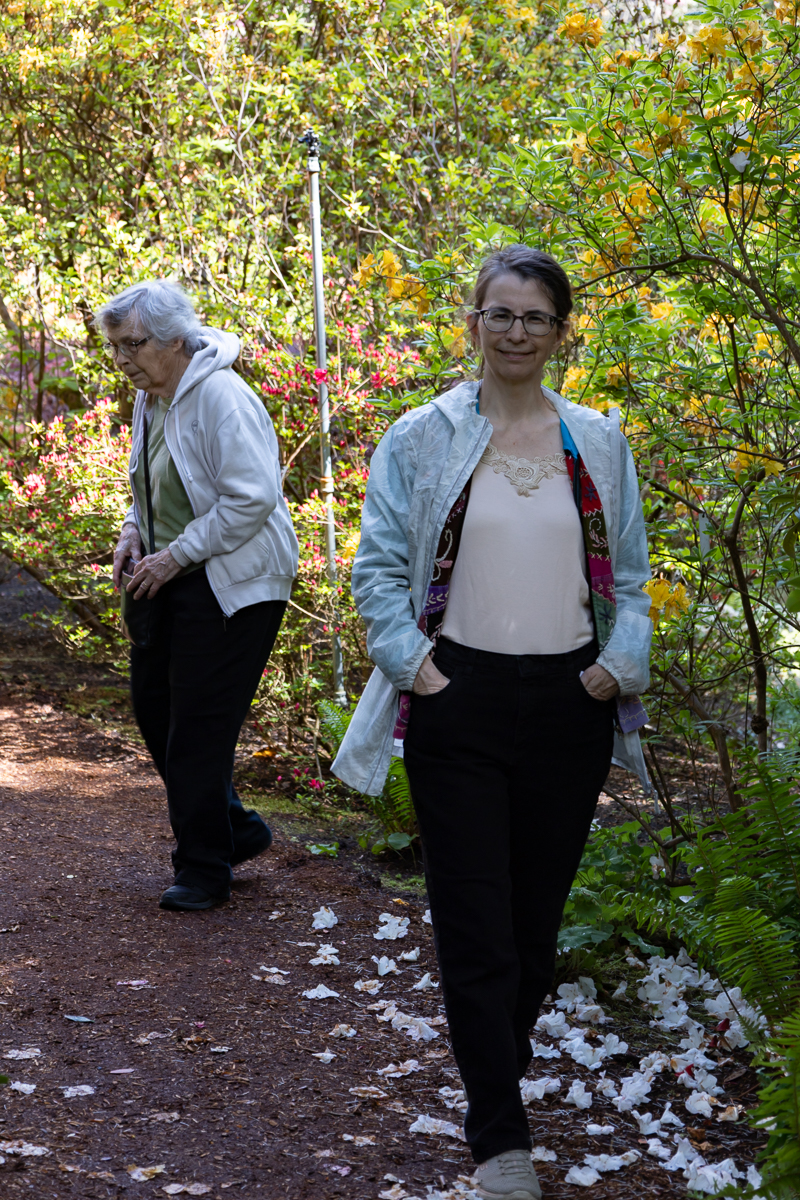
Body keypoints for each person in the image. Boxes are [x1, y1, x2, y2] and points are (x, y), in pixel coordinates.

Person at [333, 246, 651, 1200]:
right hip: (456, 700)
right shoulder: (420, 437)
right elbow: (377, 572)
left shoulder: (597, 442)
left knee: (533, 931)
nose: (517, 333)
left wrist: (614, 667)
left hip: (570, 704)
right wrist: (418, 669)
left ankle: (493, 1071)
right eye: (500, 314)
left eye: (535, 317)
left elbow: (632, 580)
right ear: (472, 322)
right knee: (476, 925)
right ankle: (499, 1139)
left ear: (560, 332)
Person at [96, 281, 298, 912]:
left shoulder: (220, 397)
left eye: (132, 344)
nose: (121, 359)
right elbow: (153, 483)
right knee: (156, 712)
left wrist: (176, 554)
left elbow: (251, 498)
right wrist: (134, 530)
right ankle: (235, 829)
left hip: (235, 581)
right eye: (114, 347)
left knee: (198, 730)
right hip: (174, 573)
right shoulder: (151, 396)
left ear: (174, 339)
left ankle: (204, 869)